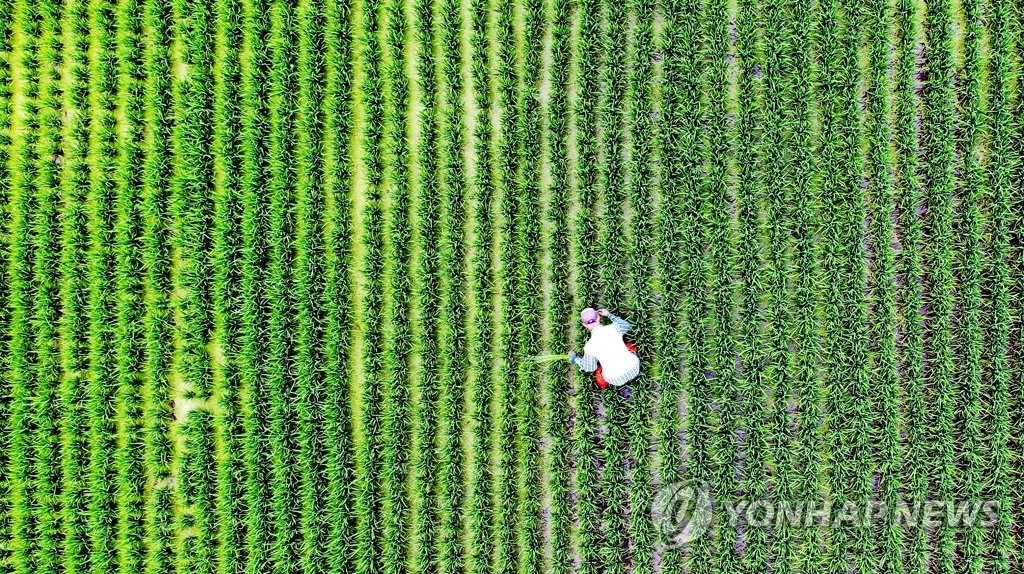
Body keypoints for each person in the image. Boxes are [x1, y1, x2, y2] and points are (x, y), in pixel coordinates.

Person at [569, 307, 639, 390]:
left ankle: (604, 385)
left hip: (616, 380)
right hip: (634, 368)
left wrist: (575, 359)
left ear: (584, 325)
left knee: (599, 372)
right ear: (599, 317)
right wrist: (609, 314)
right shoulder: (614, 328)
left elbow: (590, 368)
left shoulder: (589, 347)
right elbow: (626, 326)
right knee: (629, 346)